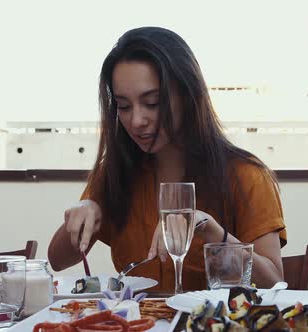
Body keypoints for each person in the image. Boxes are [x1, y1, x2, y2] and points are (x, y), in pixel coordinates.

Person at [48, 27, 286, 291]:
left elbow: (275, 281)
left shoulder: (246, 175)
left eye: (152, 102)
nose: (136, 120)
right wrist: (87, 206)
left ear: (188, 95)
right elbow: (57, 261)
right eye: (124, 106)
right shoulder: (118, 174)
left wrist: (210, 231)